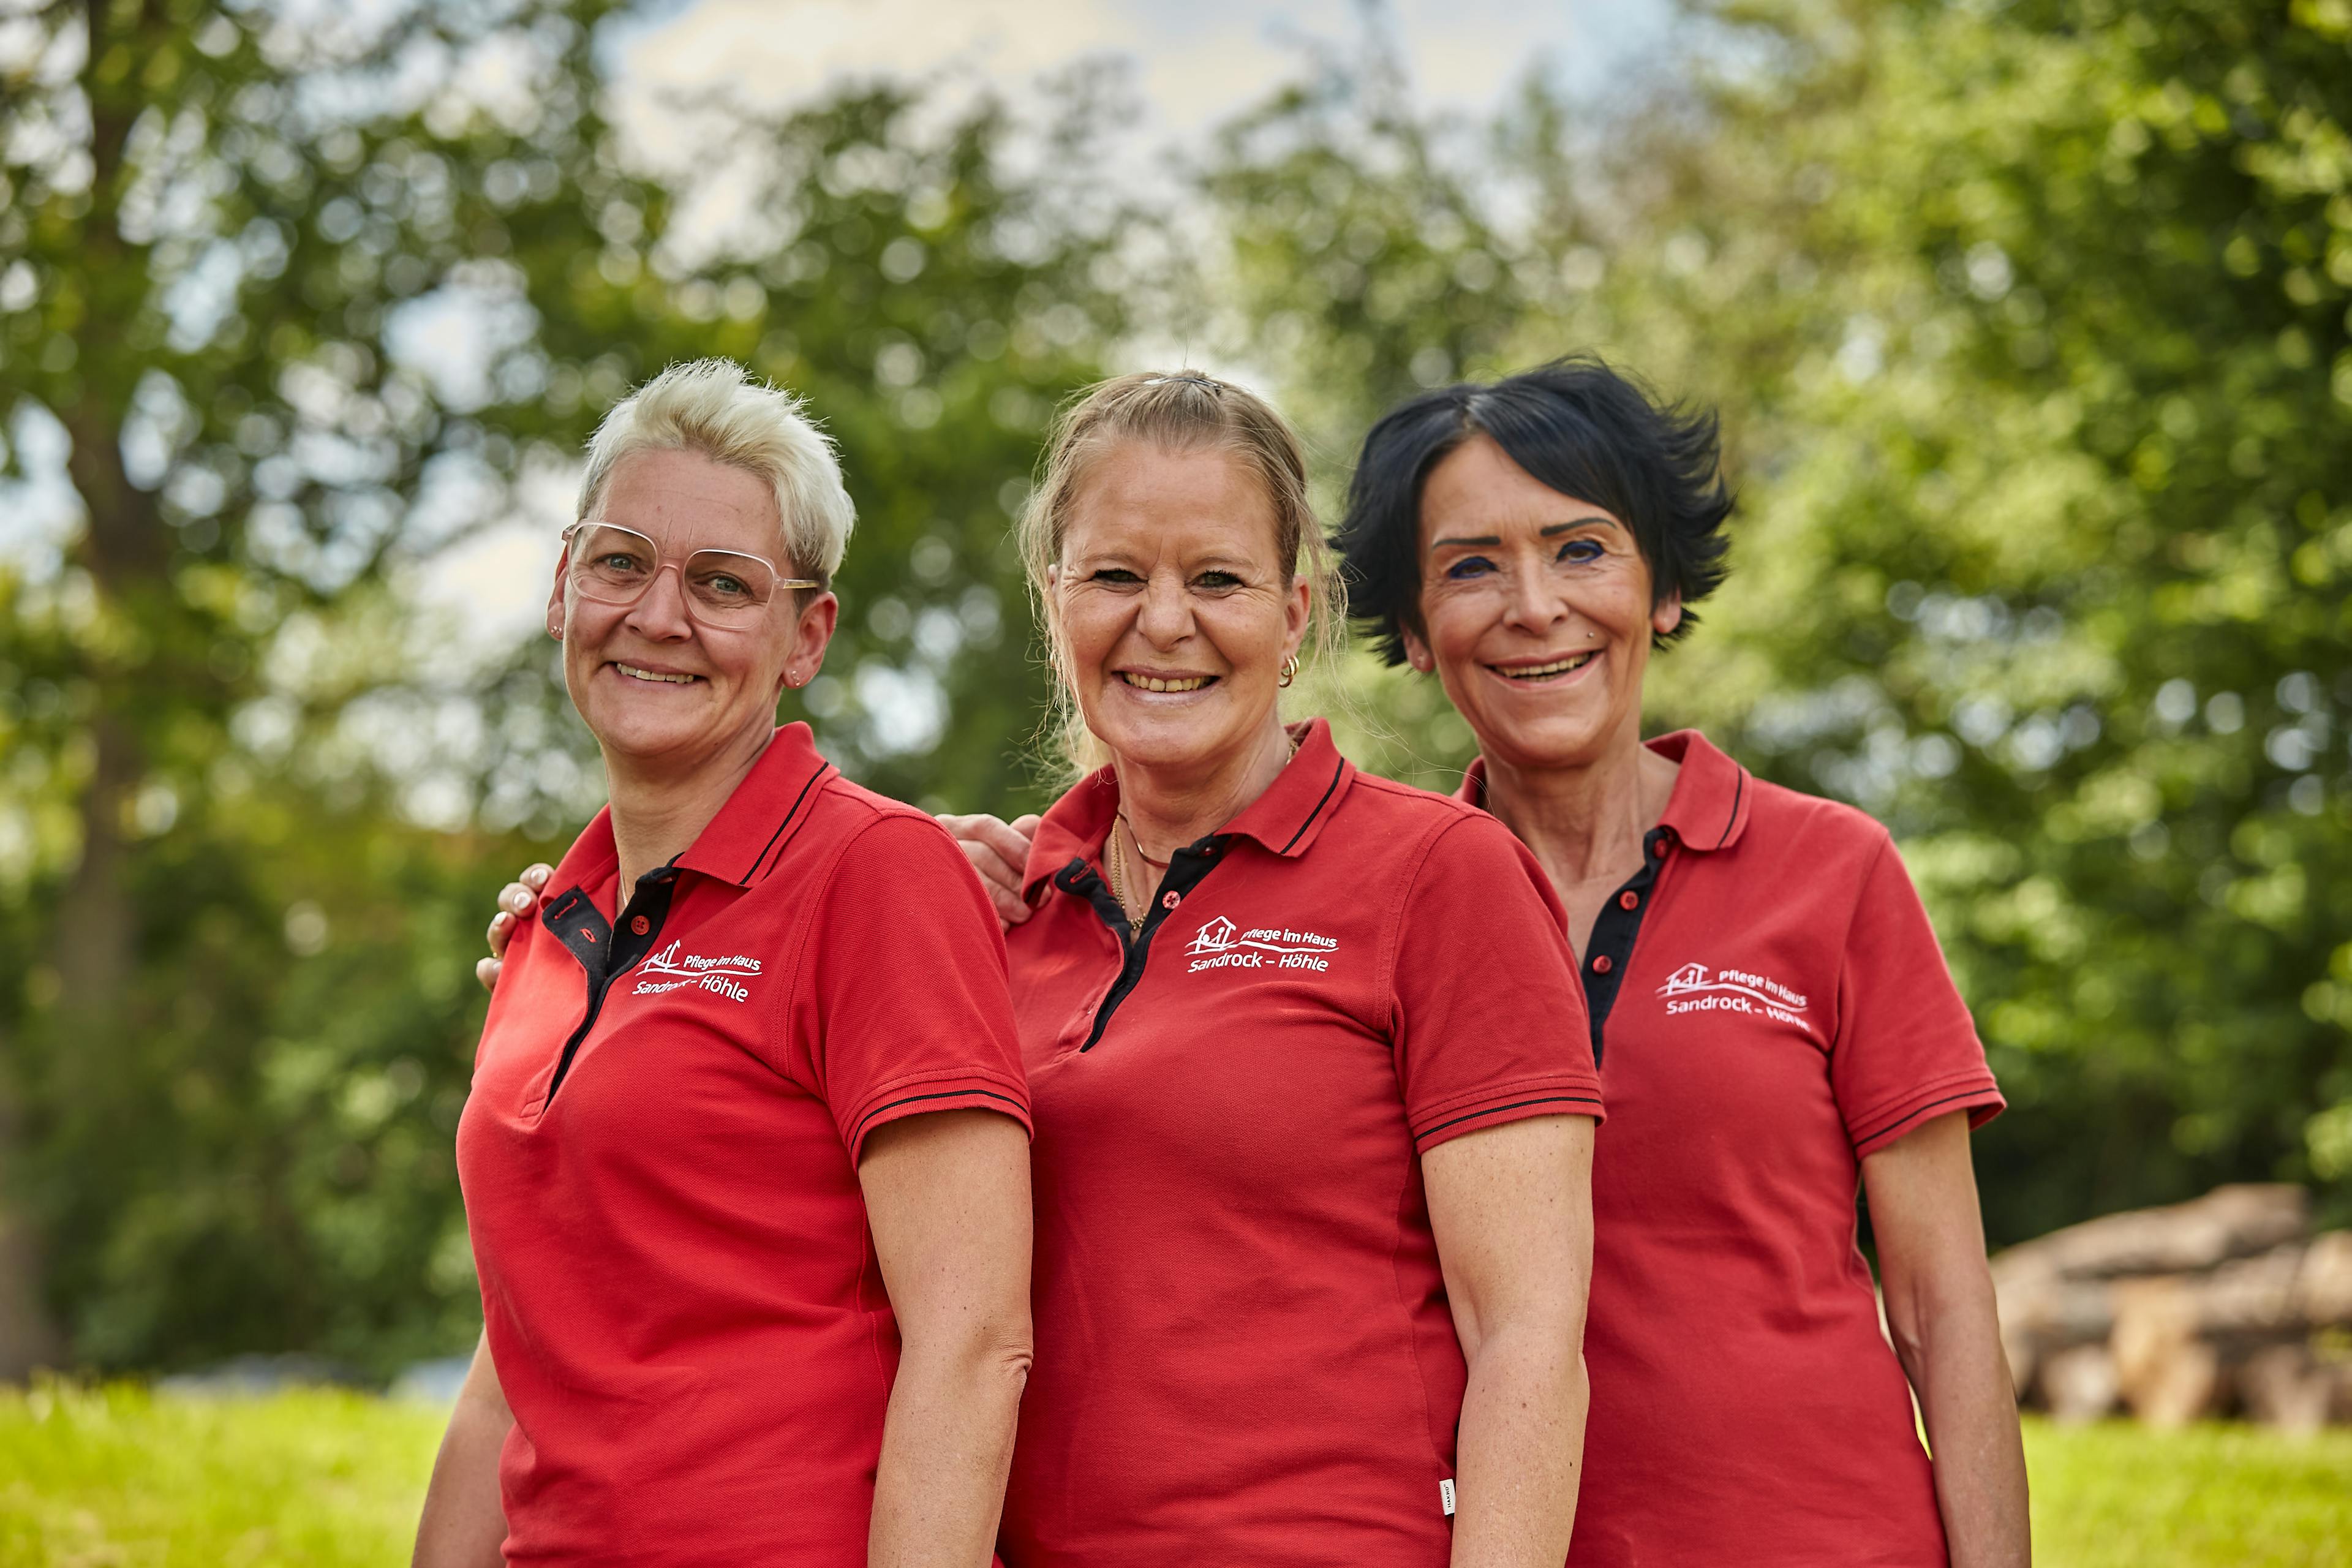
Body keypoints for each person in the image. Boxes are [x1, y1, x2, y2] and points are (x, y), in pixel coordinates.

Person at [491, 371, 1605, 1566]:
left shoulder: (1442, 874)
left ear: (1295, 614)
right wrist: (578, 932)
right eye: (1116, 576)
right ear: (1056, 599)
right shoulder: (985, 905)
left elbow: (1528, 1335)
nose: (1163, 622)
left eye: (1216, 579)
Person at [1330, 358, 2031, 1567]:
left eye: (1582, 548)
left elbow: (1944, 1307)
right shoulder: (1373, 899)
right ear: (1411, 625)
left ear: (1660, 586)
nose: (1533, 603)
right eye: (1470, 566)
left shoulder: (1833, 867)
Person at [417, 359, 1035, 1568]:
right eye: (619, 561)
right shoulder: (547, 927)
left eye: (721, 583)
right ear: (561, 586)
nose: (657, 614)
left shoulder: (878, 876)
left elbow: (973, 1343)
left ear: (807, 635)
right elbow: (510, 1375)